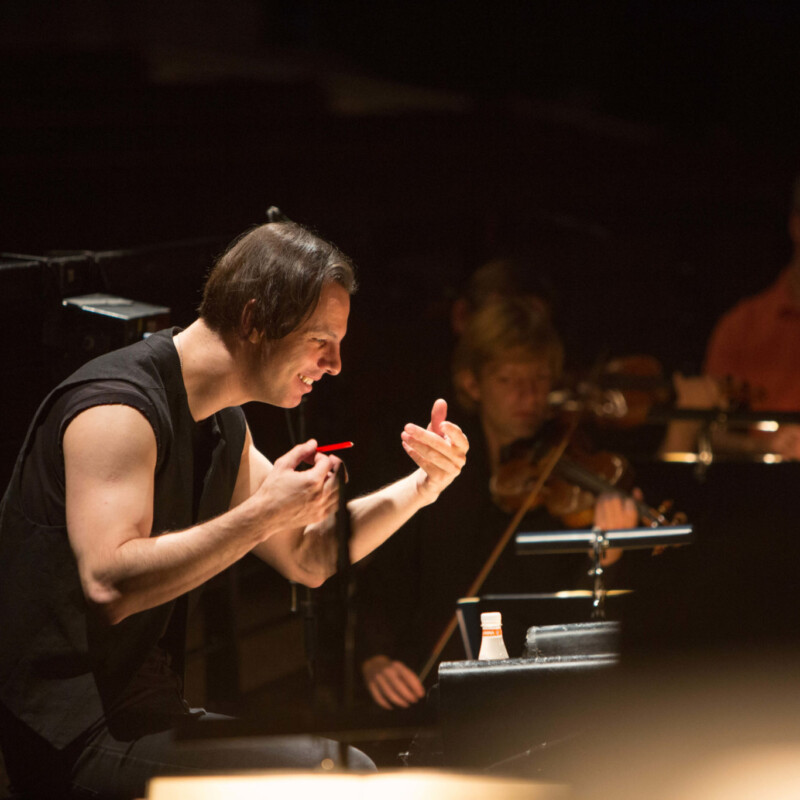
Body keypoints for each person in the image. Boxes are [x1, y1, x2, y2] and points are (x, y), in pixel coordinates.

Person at [0, 210, 469, 799]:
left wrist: (424, 486)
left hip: (142, 714)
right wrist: (265, 511)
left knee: (346, 767)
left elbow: (308, 558)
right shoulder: (115, 410)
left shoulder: (224, 424)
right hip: (66, 733)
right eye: (319, 341)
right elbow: (109, 584)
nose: (334, 365)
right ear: (254, 320)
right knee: (339, 780)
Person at [356, 298, 638, 712]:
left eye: (540, 379)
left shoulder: (571, 469)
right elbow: (389, 571)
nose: (528, 396)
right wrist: (374, 656)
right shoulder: (435, 469)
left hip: (541, 693)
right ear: (473, 384)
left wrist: (607, 556)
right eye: (508, 380)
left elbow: (581, 621)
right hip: (435, 684)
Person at [661, 174, 800, 460]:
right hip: (763, 489)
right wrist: (765, 449)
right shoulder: (742, 325)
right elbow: (709, 430)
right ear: (796, 226)